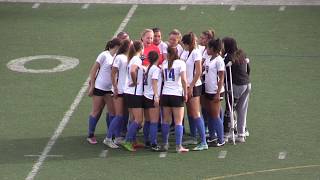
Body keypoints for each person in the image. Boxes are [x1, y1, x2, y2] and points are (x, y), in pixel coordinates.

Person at [86, 38, 121, 144]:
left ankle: (110, 135)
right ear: (114, 47)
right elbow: (93, 70)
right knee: (96, 111)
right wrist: (92, 86)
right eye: (117, 48)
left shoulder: (116, 57)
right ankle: (90, 135)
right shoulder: (104, 55)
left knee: (113, 112)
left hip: (109, 89)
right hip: (100, 87)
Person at [180, 32, 207, 150]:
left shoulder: (196, 53)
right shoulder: (185, 52)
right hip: (186, 86)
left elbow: (198, 72)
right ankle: (194, 136)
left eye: (184, 44)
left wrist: (190, 87)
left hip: (194, 86)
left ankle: (203, 141)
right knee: (190, 113)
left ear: (187, 43)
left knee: (196, 114)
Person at [103, 39, 131, 148]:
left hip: (126, 90)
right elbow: (113, 73)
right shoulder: (119, 58)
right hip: (119, 90)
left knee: (123, 115)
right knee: (118, 115)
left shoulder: (128, 57)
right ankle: (108, 138)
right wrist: (114, 87)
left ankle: (118, 137)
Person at [161, 46, 189, 153]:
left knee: (166, 121)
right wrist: (185, 93)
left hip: (165, 93)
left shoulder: (164, 63)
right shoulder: (180, 63)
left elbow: (164, 78)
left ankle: (165, 144)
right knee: (178, 122)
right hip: (176, 94)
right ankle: (178, 146)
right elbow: (183, 79)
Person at [121, 41, 145, 152]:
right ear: (141, 48)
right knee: (139, 120)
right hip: (134, 93)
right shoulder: (136, 59)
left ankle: (133, 140)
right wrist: (135, 82)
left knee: (133, 118)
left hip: (129, 92)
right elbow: (132, 71)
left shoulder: (131, 59)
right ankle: (128, 140)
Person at [203, 38, 225, 147]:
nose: (206, 49)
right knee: (210, 114)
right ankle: (212, 137)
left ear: (213, 49)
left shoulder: (219, 60)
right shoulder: (209, 58)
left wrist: (217, 93)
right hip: (208, 89)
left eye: (208, 47)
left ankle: (221, 139)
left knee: (215, 115)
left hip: (215, 91)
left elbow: (221, 78)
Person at [143, 51, 162, 151]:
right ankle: (154, 144)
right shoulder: (155, 69)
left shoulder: (148, 68)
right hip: (151, 97)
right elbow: (154, 82)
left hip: (145, 96)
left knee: (147, 121)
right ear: (157, 58)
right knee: (154, 122)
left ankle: (146, 141)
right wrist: (156, 96)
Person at [231, 49, 251, 143]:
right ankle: (242, 134)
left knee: (232, 108)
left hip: (238, 86)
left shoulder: (233, 62)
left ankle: (233, 129)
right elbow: (248, 70)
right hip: (247, 84)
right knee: (242, 110)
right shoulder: (244, 59)